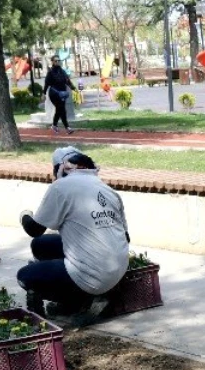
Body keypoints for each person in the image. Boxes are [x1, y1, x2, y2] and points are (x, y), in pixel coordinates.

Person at [17, 147, 129, 319]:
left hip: (92, 277)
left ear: (60, 168)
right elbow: (126, 237)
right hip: (117, 271)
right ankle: (96, 294)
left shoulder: (61, 187)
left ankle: (75, 302)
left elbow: (34, 229)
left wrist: (25, 215)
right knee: (40, 245)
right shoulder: (107, 189)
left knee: (24, 275)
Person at [43, 55, 77, 135]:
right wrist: (44, 93)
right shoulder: (50, 72)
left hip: (62, 94)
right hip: (54, 93)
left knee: (59, 110)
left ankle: (54, 125)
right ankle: (67, 128)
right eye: (55, 61)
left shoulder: (62, 71)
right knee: (62, 109)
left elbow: (67, 81)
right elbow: (46, 84)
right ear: (52, 62)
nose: (57, 62)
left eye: (59, 60)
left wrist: (73, 88)